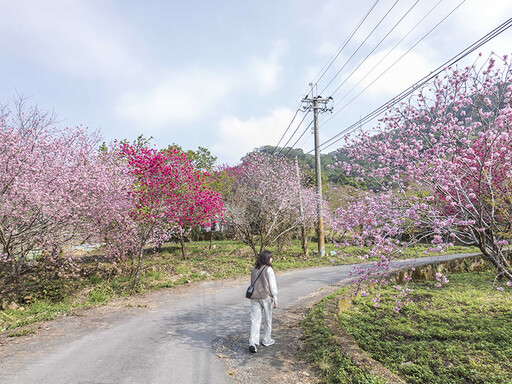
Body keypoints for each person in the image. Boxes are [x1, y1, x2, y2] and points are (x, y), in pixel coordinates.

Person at [248, 250, 278, 353]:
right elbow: (272, 285)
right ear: (267, 258)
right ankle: (266, 340)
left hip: (254, 297)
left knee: (255, 320)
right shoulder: (268, 269)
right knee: (268, 319)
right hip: (265, 297)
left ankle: (253, 342)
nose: (272, 259)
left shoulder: (254, 269)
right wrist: (275, 298)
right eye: (271, 257)